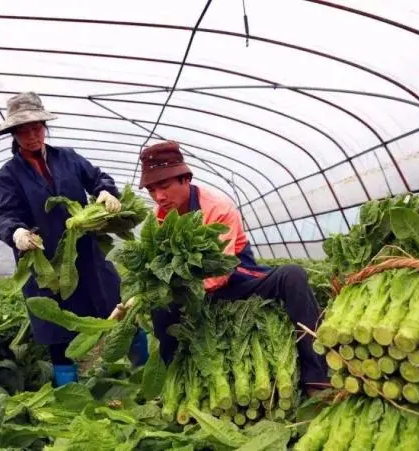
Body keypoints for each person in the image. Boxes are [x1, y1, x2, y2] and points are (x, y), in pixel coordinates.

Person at [137, 140, 328, 394]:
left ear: (185, 179)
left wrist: (178, 287)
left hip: (235, 277)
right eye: (151, 189)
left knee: (292, 275)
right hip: (191, 291)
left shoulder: (217, 206)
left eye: (164, 186)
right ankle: (174, 384)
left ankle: (315, 377)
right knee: (160, 309)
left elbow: (219, 272)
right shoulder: (157, 218)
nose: (159, 196)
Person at [0, 92, 148, 387]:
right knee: (57, 330)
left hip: (87, 255)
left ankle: (145, 374)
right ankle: (69, 393)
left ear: (44, 127)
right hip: (46, 265)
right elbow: (5, 215)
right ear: (13, 133)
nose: (32, 135)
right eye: (24, 130)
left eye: (37, 127)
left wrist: (105, 190)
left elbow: (98, 177)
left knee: (121, 313)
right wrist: (17, 233)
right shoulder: (7, 176)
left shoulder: (69, 158)